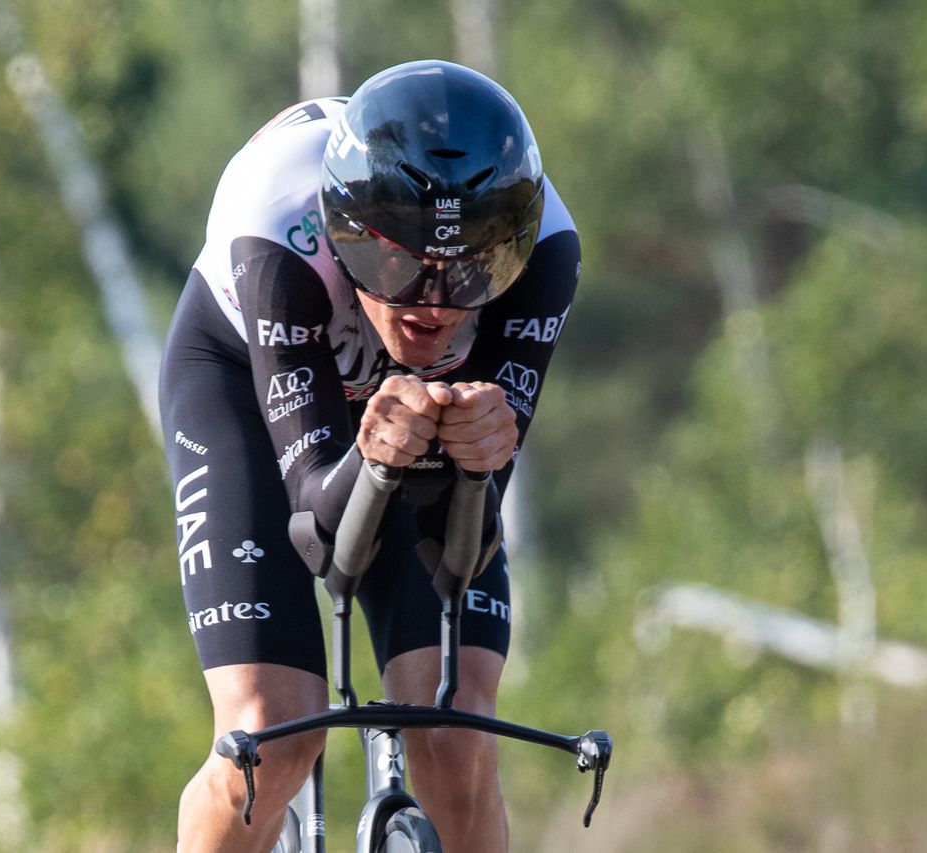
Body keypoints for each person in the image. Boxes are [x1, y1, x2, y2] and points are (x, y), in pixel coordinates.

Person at [160, 59, 580, 853]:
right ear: (344, 229)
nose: (432, 303)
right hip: (243, 389)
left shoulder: (546, 251)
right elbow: (319, 527)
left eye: (469, 271)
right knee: (269, 732)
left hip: (400, 426)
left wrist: (482, 455)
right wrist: (374, 455)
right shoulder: (275, 219)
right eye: (397, 264)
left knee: (457, 734)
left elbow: (465, 543)